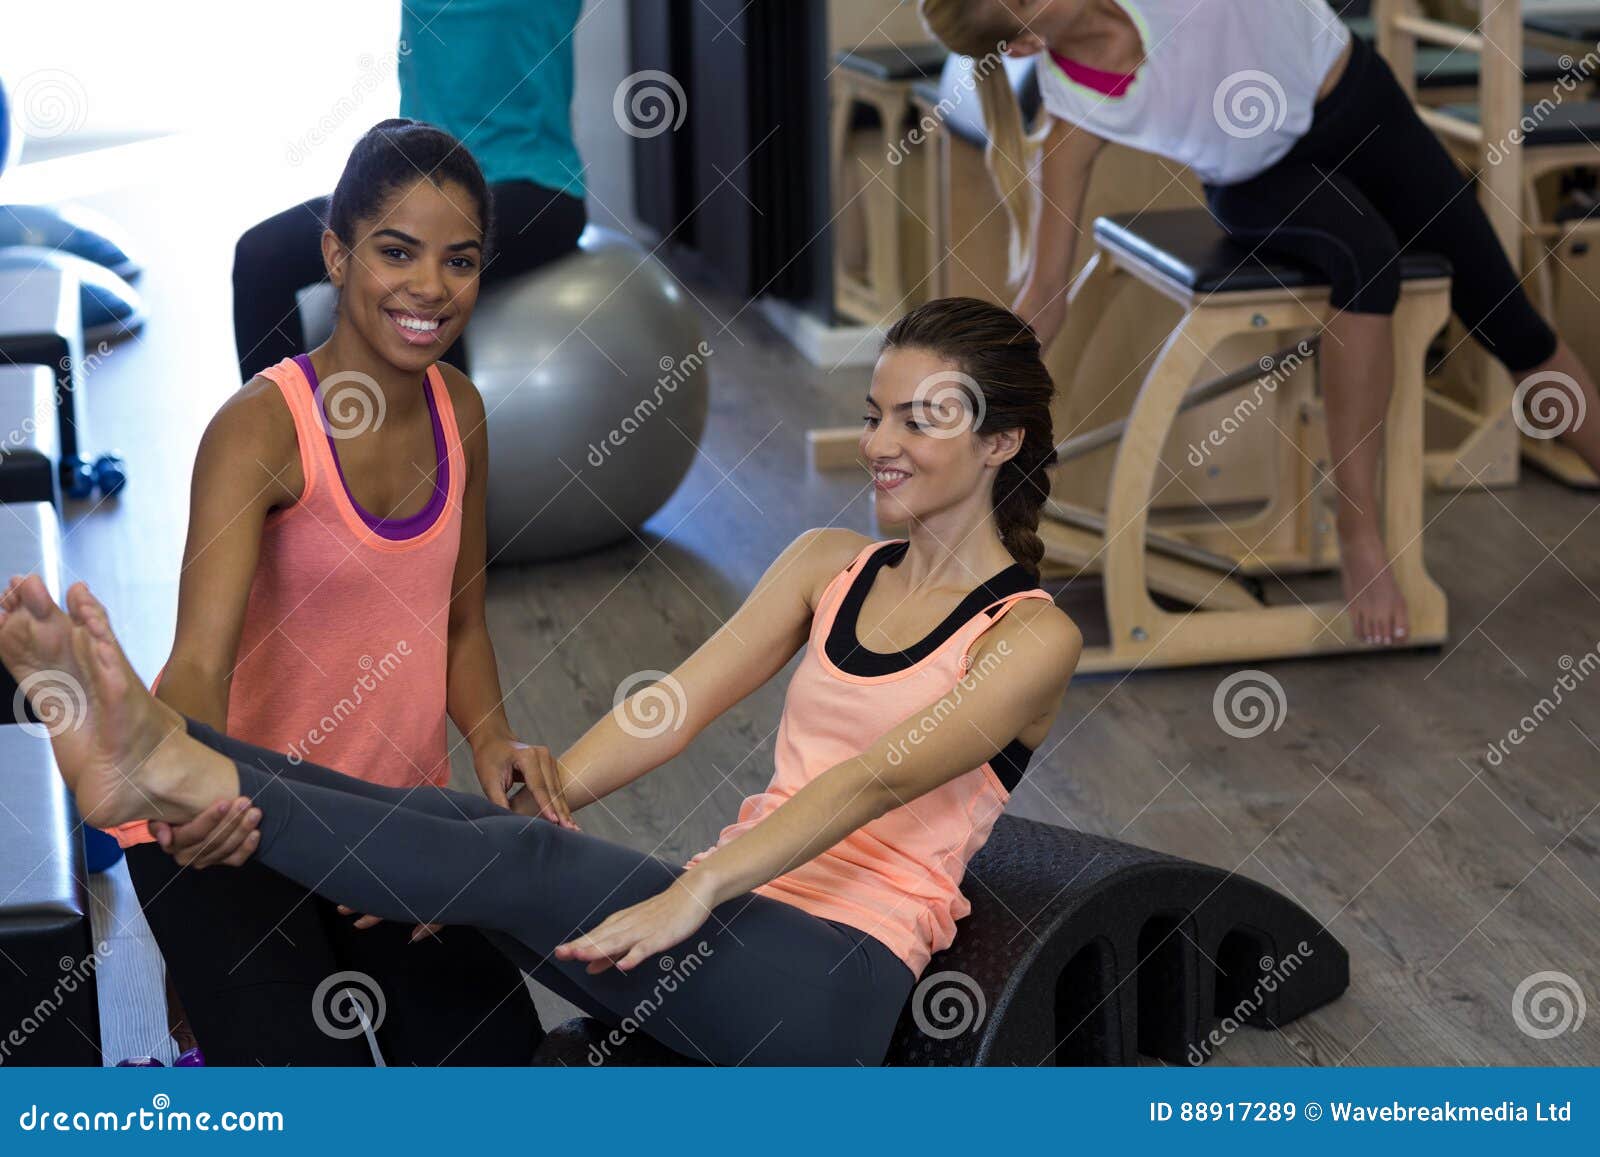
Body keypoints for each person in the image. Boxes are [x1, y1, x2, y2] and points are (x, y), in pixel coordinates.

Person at [5, 296, 1084, 1066]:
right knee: (477, 828)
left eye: (918, 421)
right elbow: (667, 713)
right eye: (875, 413)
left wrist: (695, 885)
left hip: (834, 984)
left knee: (509, 854)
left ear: (1001, 441)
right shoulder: (824, 566)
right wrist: (491, 830)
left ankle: (160, 759)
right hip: (731, 931)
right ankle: (159, 763)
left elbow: (869, 785)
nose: (880, 444)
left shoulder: (1027, 638)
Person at [918, 0, 1600, 646]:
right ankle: (1359, 530)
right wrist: (970, 407)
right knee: (1367, 260)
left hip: (1361, 104)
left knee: (1510, 320)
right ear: (1026, 42)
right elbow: (1044, 293)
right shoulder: (1074, 116)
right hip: (1256, 185)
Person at [111, 119, 556, 1065]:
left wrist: (491, 742)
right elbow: (196, 664)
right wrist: (191, 803)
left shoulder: (460, 411)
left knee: (507, 1080)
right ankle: (199, 1032)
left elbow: (461, 624)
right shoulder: (261, 428)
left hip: (383, 823)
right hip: (231, 814)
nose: (431, 288)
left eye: (460, 260)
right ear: (336, 254)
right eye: (398, 252)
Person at [232, 0, 587, 380]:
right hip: (421, 178)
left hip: (534, 181)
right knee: (261, 254)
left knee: (428, 267)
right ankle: (282, 432)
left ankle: (439, 436)